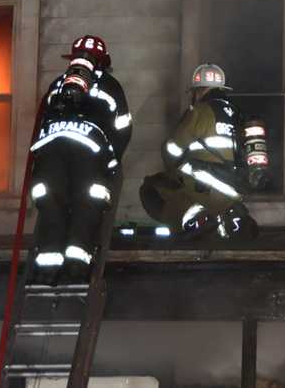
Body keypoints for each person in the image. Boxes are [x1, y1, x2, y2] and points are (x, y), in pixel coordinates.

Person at [28, 35, 132, 285]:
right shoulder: (110, 85)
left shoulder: (57, 84)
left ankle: (46, 271)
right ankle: (76, 269)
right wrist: (112, 160)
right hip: (90, 153)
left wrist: (39, 159)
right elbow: (123, 128)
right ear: (102, 62)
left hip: (51, 150)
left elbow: (43, 121)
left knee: (51, 206)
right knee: (87, 206)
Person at [140, 63, 259, 240]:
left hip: (204, 189)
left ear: (199, 91)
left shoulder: (200, 111)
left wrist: (173, 172)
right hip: (235, 189)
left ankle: (195, 219)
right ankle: (228, 218)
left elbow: (172, 150)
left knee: (151, 187)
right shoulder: (237, 114)